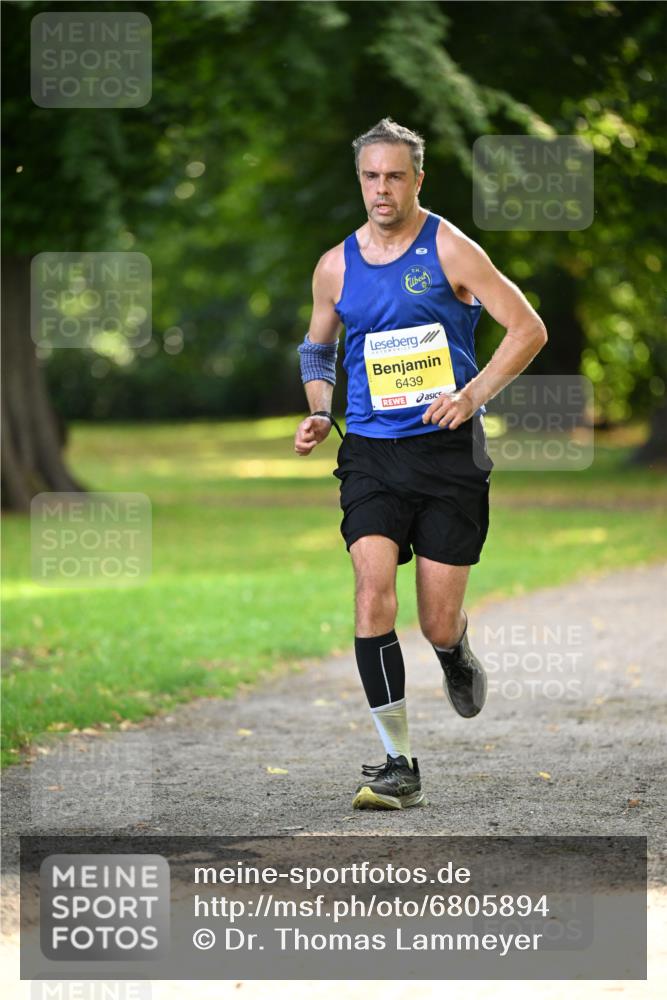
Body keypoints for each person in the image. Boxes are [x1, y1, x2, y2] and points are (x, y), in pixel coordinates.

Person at [294, 118, 547, 810]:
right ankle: (396, 761)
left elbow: (527, 328)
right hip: (370, 454)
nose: (382, 189)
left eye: (395, 176)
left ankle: (452, 650)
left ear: (417, 180)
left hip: (447, 454)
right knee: (371, 591)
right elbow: (316, 348)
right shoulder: (334, 265)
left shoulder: (451, 249)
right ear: (360, 180)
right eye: (370, 176)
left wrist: (471, 395)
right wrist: (318, 408)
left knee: (436, 619)